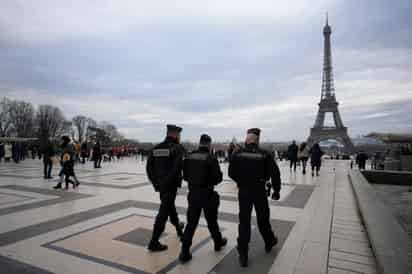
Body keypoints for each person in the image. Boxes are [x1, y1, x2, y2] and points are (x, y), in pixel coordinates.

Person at [228, 128, 281, 267]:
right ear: (257, 140)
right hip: (259, 191)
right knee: (263, 219)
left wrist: (241, 181)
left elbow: (231, 173)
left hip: (244, 191)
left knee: (244, 222)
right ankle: (269, 240)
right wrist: (276, 190)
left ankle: (243, 253)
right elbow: (275, 173)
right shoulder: (265, 154)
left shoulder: (238, 154)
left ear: (247, 139)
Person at [179, 134, 227, 263]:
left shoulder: (189, 156)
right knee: (212, 221)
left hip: (193, 193)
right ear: (209, 144)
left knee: (191, 223)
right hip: (207, 193)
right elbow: (218, 178)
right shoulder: (211, 158)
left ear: (199, 143)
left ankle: (184, 251)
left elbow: (185, 176)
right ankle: (217, 242)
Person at [146, 124, 185, 252]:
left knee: (170, 208)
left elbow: (149, 168)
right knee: (163, 212)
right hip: (170, 186)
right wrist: (167, 183)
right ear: (175, 135)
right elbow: (176, 169)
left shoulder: (156, 148)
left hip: (161, 186)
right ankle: (154, 241)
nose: (179, 137)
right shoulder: (177, 148)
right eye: (179, 135)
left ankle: (179, 230)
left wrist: (156, 183)